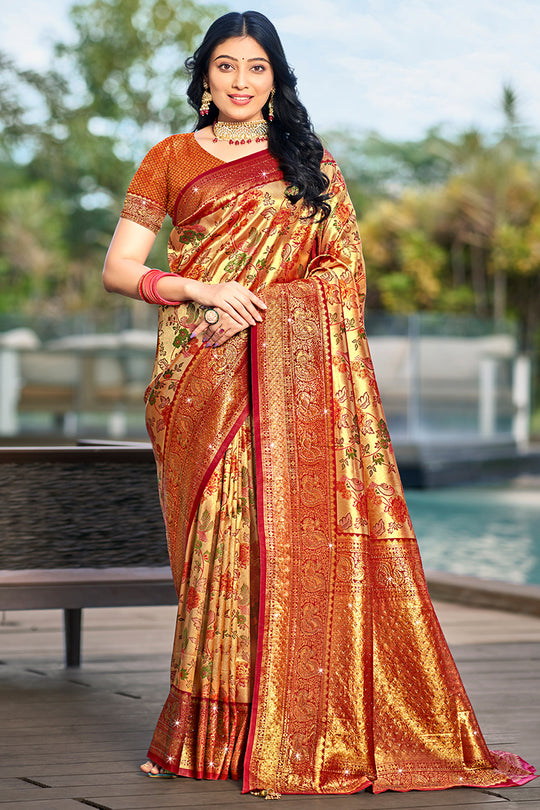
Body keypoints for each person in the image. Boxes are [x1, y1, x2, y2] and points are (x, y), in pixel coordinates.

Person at [103, 10, 536, 799]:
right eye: (226, 66)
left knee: (274, 552)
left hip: (283, 382)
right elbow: (119, 267)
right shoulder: (167, 158)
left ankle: (292, 728)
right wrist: (202, 290)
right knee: (218, 561)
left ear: (277, 79)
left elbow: (344, 276)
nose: (240, 81)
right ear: (204, 77)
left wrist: (264, 301)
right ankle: (205, 739)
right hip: (200, 375)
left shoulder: (311, 163)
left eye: (256, 67)